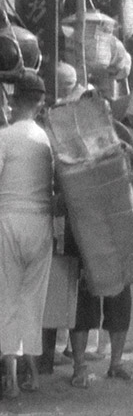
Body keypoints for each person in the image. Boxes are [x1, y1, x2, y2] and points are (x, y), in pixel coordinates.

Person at [67, 117, 133, 388]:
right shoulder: (74, 157)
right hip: (85, 237)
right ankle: (79, 367)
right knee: (83, 305)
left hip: (118, 235)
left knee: (120, 300)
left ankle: (116, 364)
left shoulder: (124, 151)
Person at [0, 72, 53, 397]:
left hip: (8, 221)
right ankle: (33, 375)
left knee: (7, 298)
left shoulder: (5, 137)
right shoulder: (46, 139)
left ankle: (10, 379)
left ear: (14, 100)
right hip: (41, 224)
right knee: (33, 301)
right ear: (40, 103)